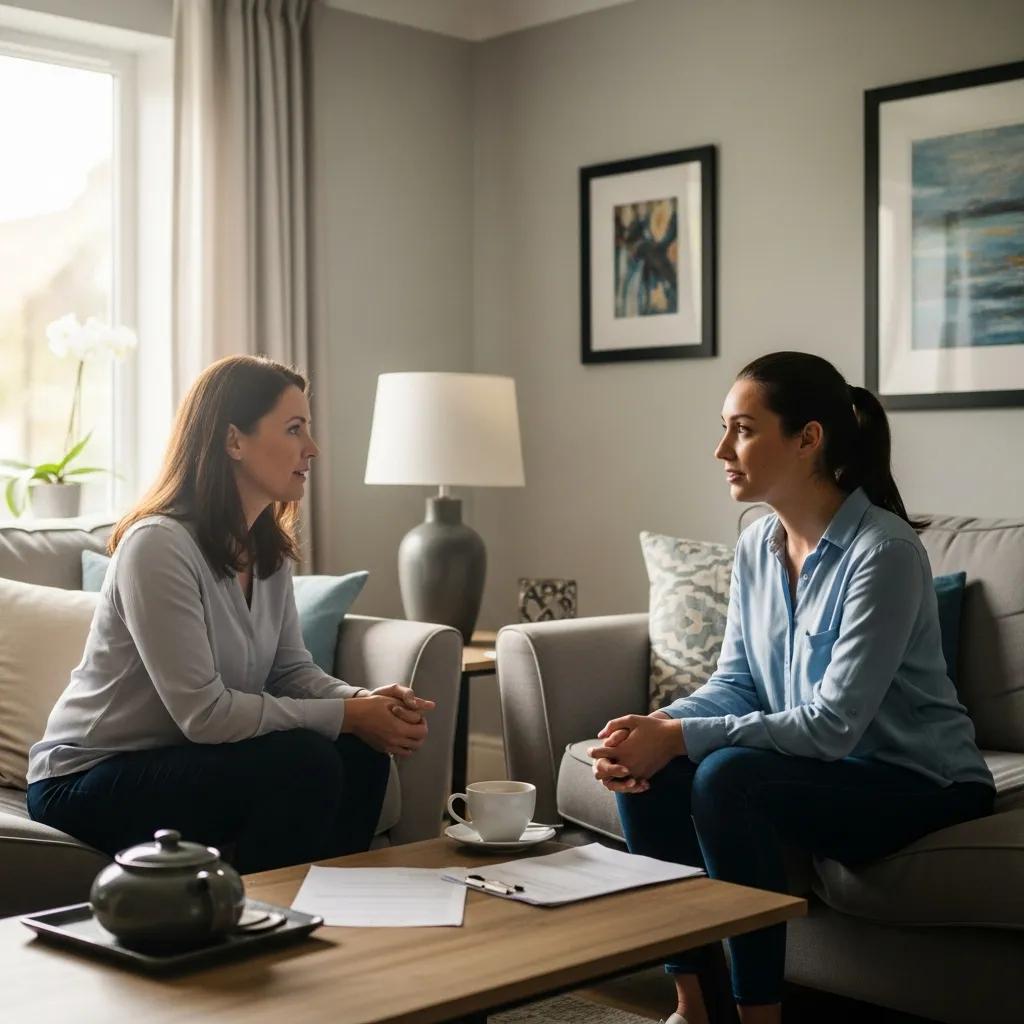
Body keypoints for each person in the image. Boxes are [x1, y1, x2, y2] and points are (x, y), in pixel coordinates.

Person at [588, 352, 995, 1024]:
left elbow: (834, 724)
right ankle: (693, 1007)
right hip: (826, 770)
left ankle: (760, 1019)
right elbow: (738, 682)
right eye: (724, 428)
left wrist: (682, 736)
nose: (722, 449)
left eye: (743, 430)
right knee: (650, 771)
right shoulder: (756, 544)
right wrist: (655, 729)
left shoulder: (883, 553)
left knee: (726, 777)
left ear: (809, 438)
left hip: (922, 783)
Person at [27, 355, 433, 873]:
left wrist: (363, 703)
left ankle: (334, 919)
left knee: (362, 752)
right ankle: (263, 925)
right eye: (294, 429)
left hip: (183, 761)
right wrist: (346, 716)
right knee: (304, 762)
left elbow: (289, 671)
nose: (312, 449)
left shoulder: (268, 549)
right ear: (233, 440)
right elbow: (205, 715)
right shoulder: (157, 546)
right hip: (85, 778)